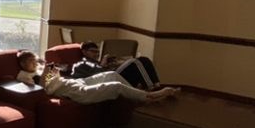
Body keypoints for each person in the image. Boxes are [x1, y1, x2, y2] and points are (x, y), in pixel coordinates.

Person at [17, 51, 178, 105]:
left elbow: (56, 76)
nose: (33, 62)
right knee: (115, 85)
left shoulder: (38, 68)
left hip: (74, 82)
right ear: (22, 64)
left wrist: (52, 69)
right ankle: (149, 97)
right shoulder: (24, 76)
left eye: (33, 59)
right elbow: (42, 90)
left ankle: (136, 93)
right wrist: (46, 72)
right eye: (29, 61)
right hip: (73, 91)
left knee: (112, 74)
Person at [71, 41, 162, 90]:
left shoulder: (93, 62)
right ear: (84, 52)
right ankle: (151, 88)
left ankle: (157, 85)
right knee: (134, 62)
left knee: (144, 59)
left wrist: (111, 64)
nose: (96, 54)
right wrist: (102, 65)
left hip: (111, 73)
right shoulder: (82, 63)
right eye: (93, 51)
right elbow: (97, 76)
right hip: (109, 78)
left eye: (97, 52)